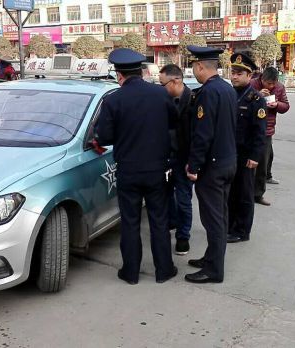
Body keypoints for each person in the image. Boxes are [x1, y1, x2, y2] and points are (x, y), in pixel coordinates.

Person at [94, 48, 178, 285]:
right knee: (158, 221)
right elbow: (174, 122)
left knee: (130, 222)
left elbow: (104, 137)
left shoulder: (113, 100)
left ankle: (130, 272)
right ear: (141, 72)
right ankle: (164, 270)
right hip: (156, 170)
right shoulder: (160, 94)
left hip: (128, 171)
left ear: (118, 74)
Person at [184, 45, 237, 284]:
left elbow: (203, 135)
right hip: (228, 162)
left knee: (213, 220)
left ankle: (214, 270)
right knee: (221, 216)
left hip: (212, 167)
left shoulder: (207, 93)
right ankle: (211, 258)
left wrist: (194, 167)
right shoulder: (227, 88)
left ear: (199, 67)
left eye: (194, 66)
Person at [226, 53, 267, 244]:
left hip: (246, 155)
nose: (234, 76)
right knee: (231, 192)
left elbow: (260, 132)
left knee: (244, 193)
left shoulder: (256, 99)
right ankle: (230, 226)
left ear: (249, 76)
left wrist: (255, 156)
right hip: (231, 153)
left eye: (239, 73)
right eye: (233, 72)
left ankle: (242, 231)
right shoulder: (230, 94)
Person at [159, 64, 194, 256]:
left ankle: (183, 237)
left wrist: (194, 161)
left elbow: (199, 135)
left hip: (184, 159)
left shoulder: (194, 100)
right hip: (165, 157)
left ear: (176, 81)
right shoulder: (163, 99)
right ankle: (171, 222)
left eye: (162, 83)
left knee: (183, 198)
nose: (160, 87)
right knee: (164, 195)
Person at [250, 67, 290, 206]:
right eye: (268, 83)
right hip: (250, 129)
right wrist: (257, 95)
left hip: (267, 130)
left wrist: (277, 104)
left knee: (263, 164)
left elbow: (286, 106)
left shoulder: (279, 88)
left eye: (273, 84)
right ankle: (245, 193)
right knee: (248, 164)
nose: (270, 86)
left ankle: (258, 194)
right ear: (262, 79)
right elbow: (242, 101)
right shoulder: (253, 84)